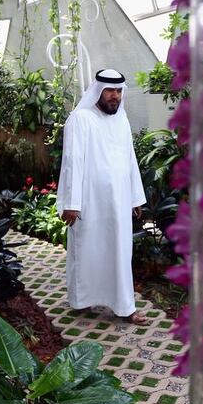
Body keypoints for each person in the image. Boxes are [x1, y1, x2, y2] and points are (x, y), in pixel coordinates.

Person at [56, 69, 150, 325]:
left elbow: (130, 159)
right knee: (87, 250)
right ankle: (81, 299)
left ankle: (124, 307)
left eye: (119, 91)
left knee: (119, 253)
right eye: (110, 90)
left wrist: (135, 197)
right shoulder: (80, 119)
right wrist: (72, 204)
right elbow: (72, 162)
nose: (115, 96)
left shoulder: (122, 118)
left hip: (118, 202)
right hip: (89, 203)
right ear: (98, 90)